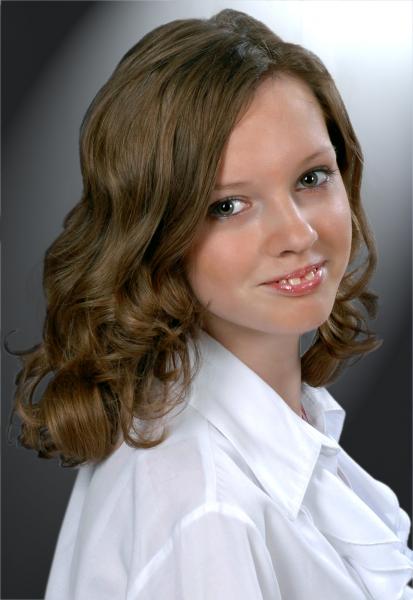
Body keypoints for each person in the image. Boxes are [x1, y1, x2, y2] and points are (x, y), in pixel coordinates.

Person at [9, 8, 413, 599]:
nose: (298, 234)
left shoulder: (280, 433)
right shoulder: (209, 510)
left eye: (311, 178)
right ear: (155, 234)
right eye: (228, 206)